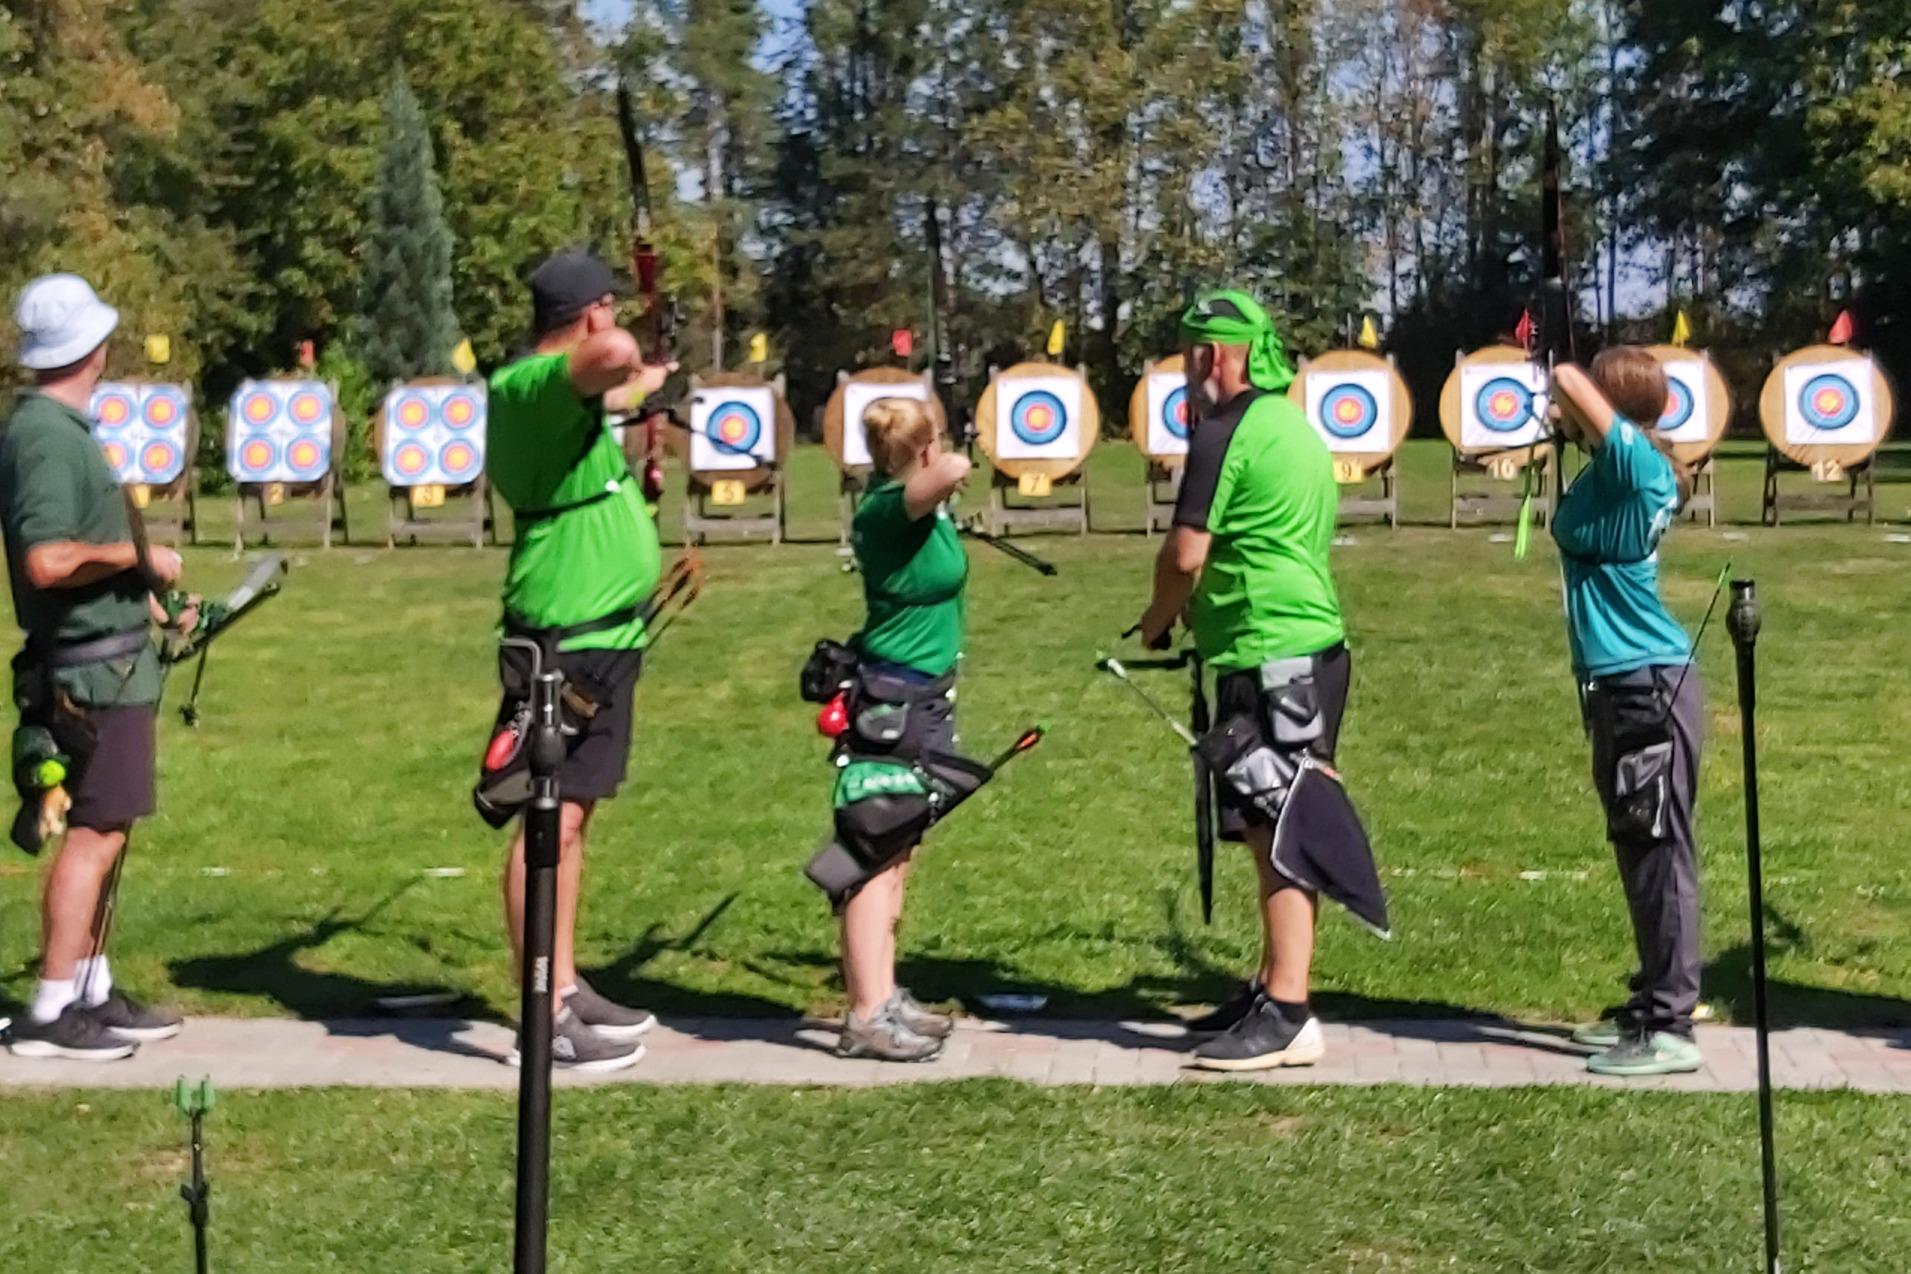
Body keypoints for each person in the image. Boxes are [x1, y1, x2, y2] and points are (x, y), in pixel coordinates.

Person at [1137, 289, 1349, 1072]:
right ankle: (1270, 988)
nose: (1186, 370)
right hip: (1294, 647)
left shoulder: (1222, 431)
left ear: (1212, 357)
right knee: (1269, 824)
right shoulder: (1289, 424)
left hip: (1275, 655)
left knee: (1279, 828)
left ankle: (1289, 1011)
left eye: (1189, 354)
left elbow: (1184, 554)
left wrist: (1159, 616)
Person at [483, 249, 675, 1073]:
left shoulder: (563, 398)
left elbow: (620, 380)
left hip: (603, 633)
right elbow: (611, 361)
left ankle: (562, 981)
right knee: (546, 818)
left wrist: (646, 400)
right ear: (593, 312)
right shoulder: (523, 384)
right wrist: (629, 356)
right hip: (566, 636)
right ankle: (541, 1006)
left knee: (576, 813)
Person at [2, 273, 191, 1060]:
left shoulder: (57, 427)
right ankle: (52, 1010)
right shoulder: (46, 436)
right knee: (94, 834)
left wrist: (148, 596)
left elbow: (78, 556)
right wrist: (141, 555)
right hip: (91, 676)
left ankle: (91, 988)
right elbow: (48, 560)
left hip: (108, 661)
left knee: (109, 829)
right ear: (94, 348)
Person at [1549, 349, 1705, 1077]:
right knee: (1638, 847)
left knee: (1658, 853)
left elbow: (1569, 383)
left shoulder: (1633, 465)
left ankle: (1671, 1025)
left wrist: (1562, 373)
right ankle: (1650, 1005)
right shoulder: (1614, 468)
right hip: (1621, 684)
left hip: (1647, 685)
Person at [834, 397, 971, 1061]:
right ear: (920, 450)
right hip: (894, 702)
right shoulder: (887, 509)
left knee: (899, 849)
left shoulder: (912, 507)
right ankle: (864, 1015)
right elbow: (950, 471)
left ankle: (883, 994)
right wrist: (944, 455)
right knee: (872, 852)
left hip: (921, 699)